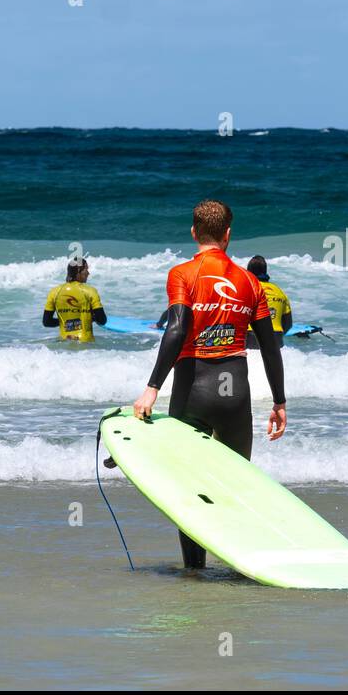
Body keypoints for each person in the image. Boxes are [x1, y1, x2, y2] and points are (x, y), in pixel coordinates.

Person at [131, 199, 287, 569]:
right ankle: (241, 565)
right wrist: (279, 401)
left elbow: (177, 329)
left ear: (193, 232)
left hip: (191, 390)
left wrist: (153, 386)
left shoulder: (182, 274)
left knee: (190, 492)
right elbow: (270, 347)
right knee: (235, 485)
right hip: (234, 391)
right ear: (228, 235)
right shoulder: (250, 282)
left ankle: (195, 570)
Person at [43, 257, 106, 342]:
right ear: (79, 271)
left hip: (64, 343)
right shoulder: (90, 291)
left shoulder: (54, 292)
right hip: (86, 344)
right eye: (86, 269)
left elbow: (47, 322)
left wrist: (66, 322)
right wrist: (91, 318)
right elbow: (102, 320)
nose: (88, 273)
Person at [244, 255, 291, 349]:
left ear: (249, 272)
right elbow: (288, 323)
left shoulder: (247, 289)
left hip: (252, 336)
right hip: (276, 337)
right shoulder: (279, 292)